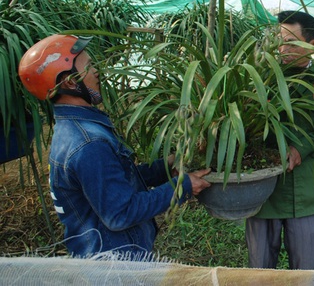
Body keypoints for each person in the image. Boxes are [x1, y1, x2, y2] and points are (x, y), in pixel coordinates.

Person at [18, 34, 211, 258]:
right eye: (89, 67)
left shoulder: (75, 130)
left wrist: (164, 168)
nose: (97, 72)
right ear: (70, 82)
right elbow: (121, 213)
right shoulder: (89, 143)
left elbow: (113, 182)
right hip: (116, 263)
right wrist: (183, 186)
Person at [245, 10, 314, 269]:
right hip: (264, 192)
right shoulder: (263, 77)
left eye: (289, 42)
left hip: (310, 192)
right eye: (278, 40)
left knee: (307, 273)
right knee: (259, 271)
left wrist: (302, 147)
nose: (281, 48)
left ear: (312, 44)